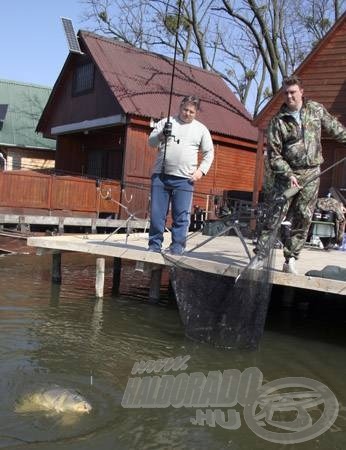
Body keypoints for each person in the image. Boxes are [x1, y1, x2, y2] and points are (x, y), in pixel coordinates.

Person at [257, 75, 346, 274]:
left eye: (293, 92)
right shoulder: (278, 121)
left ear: (301, 92)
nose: (289, 96)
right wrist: (288, 174)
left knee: (304, 217)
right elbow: (274, 155)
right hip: (287, 176)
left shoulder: (315, 109)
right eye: (286, 93)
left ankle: (291, 259)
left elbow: (335, 129)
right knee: (275, 215)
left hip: (312, 173)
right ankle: (260, 255)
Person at [148, 95, 214, 255]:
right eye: (185, 109)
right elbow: (151, 142)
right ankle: (154, 246)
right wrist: (162, 135)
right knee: (157, 214)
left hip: (185, 180)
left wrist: (200, 172)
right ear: (180, 107)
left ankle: (177, 248)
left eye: (191, 111)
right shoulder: (166, 122)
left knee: (181, 216)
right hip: (161, 176)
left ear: (196, 112)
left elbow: (209, 153)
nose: (187, 113)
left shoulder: (201, 129)